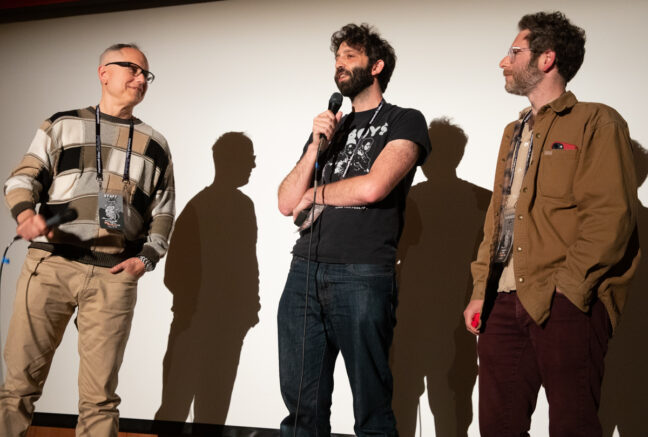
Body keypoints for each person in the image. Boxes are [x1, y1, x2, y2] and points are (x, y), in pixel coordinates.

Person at [463, 12, 640, 437]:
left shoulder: (597, 121)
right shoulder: (514, 131)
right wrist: (480, 290)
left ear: (546, 59)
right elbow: (499, 217)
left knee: (571, 426)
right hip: (502, 301)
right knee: (498, 428)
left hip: (566, 301)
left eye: (514, 52)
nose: (503, 61)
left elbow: (610, 215)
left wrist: (569, 290)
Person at [0, 43, 175, 437]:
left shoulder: (155, 144)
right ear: (104, 73)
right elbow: (22, 178)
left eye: (146, 74)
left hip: (113, 275)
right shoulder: (62, 124)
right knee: (18, 387)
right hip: (52, 265)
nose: (141, 78)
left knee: (100, 399)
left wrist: (145, 259)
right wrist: (26, 214)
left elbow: (163, 213)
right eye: (132, 69)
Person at [277, 23, 431, 437]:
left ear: (376, 66)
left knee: (371, 409)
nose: (339, 64)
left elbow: (373, 187)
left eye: (350, 56)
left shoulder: (405, 121)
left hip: (362, 273)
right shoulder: (333, 128)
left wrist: (317, 194)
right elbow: (287, 202)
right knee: (301, 408)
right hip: (304, 272)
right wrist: (315, 145)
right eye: (337, 57)